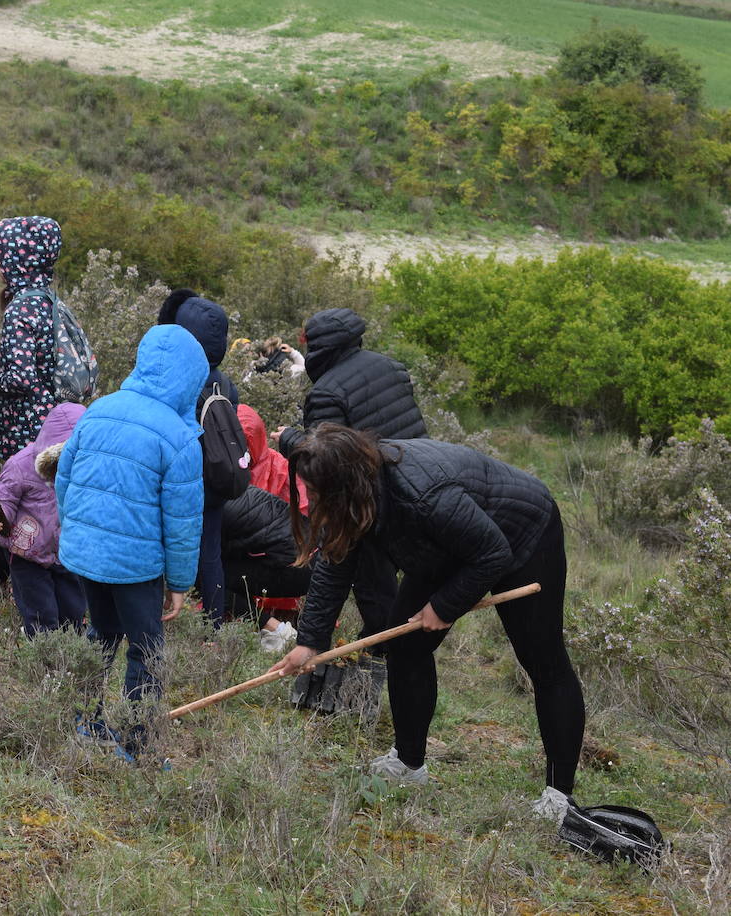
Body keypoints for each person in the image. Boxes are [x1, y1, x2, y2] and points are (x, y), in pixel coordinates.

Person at [268, 425, 584, 822]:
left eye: (315, 493)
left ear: (344, 485)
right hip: (447, 546)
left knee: (544, 662)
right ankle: (408, 763)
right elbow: (335, 561)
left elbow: (491, 553)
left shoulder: (422, 495)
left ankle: (560, 797)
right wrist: (310, 642)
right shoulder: (354, 489)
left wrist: (445, 605)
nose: (311, 500)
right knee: (405, 647)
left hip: (521, 535)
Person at [56, 324, 207, 763]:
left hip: (87, 554)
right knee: (147, 648)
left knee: (100, 633)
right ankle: (138, 745)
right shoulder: (180, 439)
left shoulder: (99, 409)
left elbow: (64, 479)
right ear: (190, 379)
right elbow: (182, 522)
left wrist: (77, 533)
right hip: (136, 565)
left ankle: (83, 718)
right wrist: (179, 584)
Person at [273, 308, 426, 701]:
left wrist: (289, 440)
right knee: (386, 585)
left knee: (372, 590)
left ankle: (373, 679)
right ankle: (377, 662)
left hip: (364, 504)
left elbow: (325, 464)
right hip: (414, 487)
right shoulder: (392, 367)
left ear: (320, 348)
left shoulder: (326, 392)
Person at [157, 289, 239, 628]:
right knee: (211, 552)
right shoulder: (224, 382)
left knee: (165, 541)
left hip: (185, 477)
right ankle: (213, 622)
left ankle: (156, 612)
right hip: (217, 476)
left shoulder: (178, 378)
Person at [0, 402, 87, 636]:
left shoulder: (84, 467)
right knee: (40, 612)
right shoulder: (21, 465)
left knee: (73, 612)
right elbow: (3, 498)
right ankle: (43, 654)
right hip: (26, 554)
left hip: (66, 553)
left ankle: (72, 651)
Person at [0, 215, 63, 460]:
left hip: (28, 431)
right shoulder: (47, 299)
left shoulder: (20, 308)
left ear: (16, 259)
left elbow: (21, 380)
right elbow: (41, 362)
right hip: (53, 421)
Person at [222, 405, 310, 633]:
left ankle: (270, 627)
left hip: (283, 567)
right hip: (302, 567)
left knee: (210, 571)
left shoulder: (227, 481)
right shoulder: (285, 469)